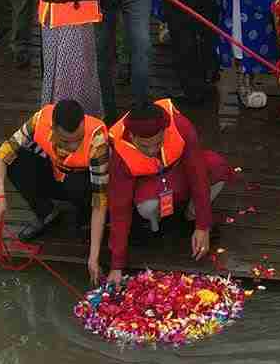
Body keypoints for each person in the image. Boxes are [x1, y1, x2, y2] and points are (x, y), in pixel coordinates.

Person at [98, 99, 233, 286]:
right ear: (132, 136)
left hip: (178, 172)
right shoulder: (120, 151)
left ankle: (191, 215)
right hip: (149, 185)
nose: (152, 150)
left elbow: (198, 174)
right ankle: (156, 225)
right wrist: (116, 265)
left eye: (158, 143)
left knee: (217, 166)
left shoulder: (181, 126)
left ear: (165, 130)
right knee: (147, 206)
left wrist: (203, 225)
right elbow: (119, 207)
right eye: (145, 146)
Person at [0, 97, 109, 247]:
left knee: (77, 185)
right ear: (53, 129)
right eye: (66, 141)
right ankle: (46, 213)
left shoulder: (98, 139)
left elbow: (100, 200)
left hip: (84, 187)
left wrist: (93, 256)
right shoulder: (38, 120)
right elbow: (1, 156)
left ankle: (87, 220)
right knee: (14, 160)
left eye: (79, 139)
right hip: (56, 174)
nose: (74, 146)